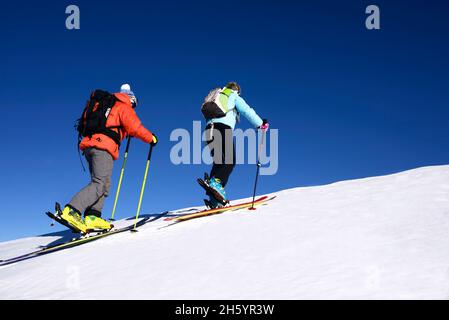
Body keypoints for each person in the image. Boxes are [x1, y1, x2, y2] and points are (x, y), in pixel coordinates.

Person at [59, 84, 158, 233]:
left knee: (104, 184)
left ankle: (93, 217)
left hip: (90, 145)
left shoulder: (107, 104)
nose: (134, 107)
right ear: (131, 99)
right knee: (99, 183)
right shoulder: (123, 106)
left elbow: (116, 125)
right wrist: (151, 138)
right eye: (134, 103)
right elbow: (135, 127)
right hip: (103, 147)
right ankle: (72, 210)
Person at [201, 82, 269, 208]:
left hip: (208, 131)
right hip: (223, 128)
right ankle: (216, 184)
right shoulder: (233, 95)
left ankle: (214, 198)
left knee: (219, 162)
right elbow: (246, 110)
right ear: (236, 90)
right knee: (230, 161)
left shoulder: (216, 95)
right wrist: (260, 124)